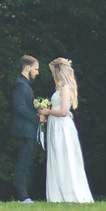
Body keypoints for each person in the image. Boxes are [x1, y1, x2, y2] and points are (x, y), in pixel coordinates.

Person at [40, 56, 94, 203]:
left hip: (62, 126)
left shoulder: (65, 89)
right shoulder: (60, 88)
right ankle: (58, 193)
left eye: (53, 71)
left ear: (59, 71)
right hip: (55, 125)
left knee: (65, 156)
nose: (52, 74)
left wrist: (48, 112)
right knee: (57, 156)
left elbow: (63, 111)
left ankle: (69, 194)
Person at [8, 55, 43, 201]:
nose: (37, 72)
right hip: (24, 131)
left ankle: (25, 195)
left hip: (28, 130)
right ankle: (22, 196)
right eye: (36, 69)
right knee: (23, 163)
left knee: (27, 163)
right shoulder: (21, 85)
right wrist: (37, 118)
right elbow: (20, 108)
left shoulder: (25, 85)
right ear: (27, 68)